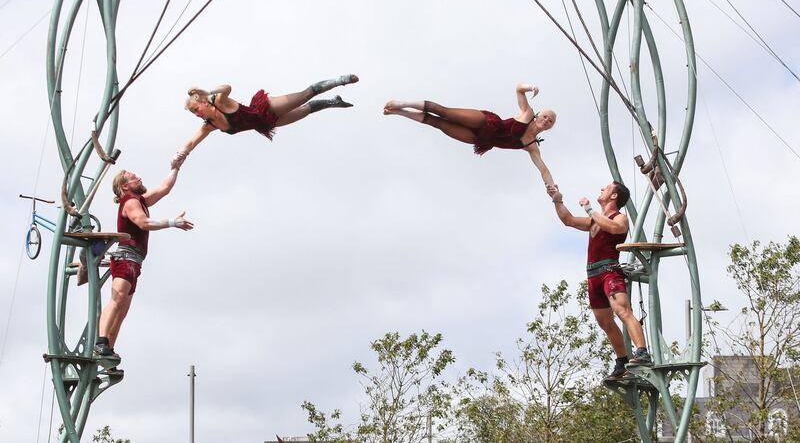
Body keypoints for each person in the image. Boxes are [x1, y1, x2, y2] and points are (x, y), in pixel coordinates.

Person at [546, 181, 652, 380]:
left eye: (606, 188)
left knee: (623, 311)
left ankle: (642, 352)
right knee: (605, 322)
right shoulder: (595, 220)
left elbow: (614, 228)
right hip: (593, 275)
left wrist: (589, 209)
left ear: (614, 196)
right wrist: (557, 201)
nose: (602, 189)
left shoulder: (619, 217)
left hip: (609, 271)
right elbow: (568, 220)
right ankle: (622, 361)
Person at [93, 167, 194, 361]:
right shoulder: (131, 202)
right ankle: (100, 343)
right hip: (126, 257)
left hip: (135, 261)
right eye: (134, 177)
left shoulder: (140, 201)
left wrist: (176, 165)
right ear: (124, 186)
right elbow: (144, 223)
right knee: (118, 300)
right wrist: (172, 222)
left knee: (123, 309)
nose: (139, 177)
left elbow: (165, 187)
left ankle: (109, 350)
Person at [383, 83, 557, 186]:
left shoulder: (532, 146)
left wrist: (551, 187)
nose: (546, 120)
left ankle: (400, 112)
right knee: (445, 112)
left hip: (481, 139)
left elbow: (543, 169)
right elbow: (518, 89)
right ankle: (403, 102)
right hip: (487, 123)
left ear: (549, 128)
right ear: (538, 115)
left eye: (550, 121)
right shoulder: (527, 113)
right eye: (545, 116)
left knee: (438, 124)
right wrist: (530, 87)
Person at [173, 74, 359, 167]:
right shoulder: (209, 126)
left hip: (264, 108)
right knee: (305, 111)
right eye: (194, 114)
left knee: (303, 96)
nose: (197, 114)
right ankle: (334, 101)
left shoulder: (219, 101)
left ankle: (341, 80)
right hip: (265, 123)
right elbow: (191, 141)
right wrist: (180, 155)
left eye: (196, 110)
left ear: (204, 102)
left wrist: (208, 92)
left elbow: (227, 87)